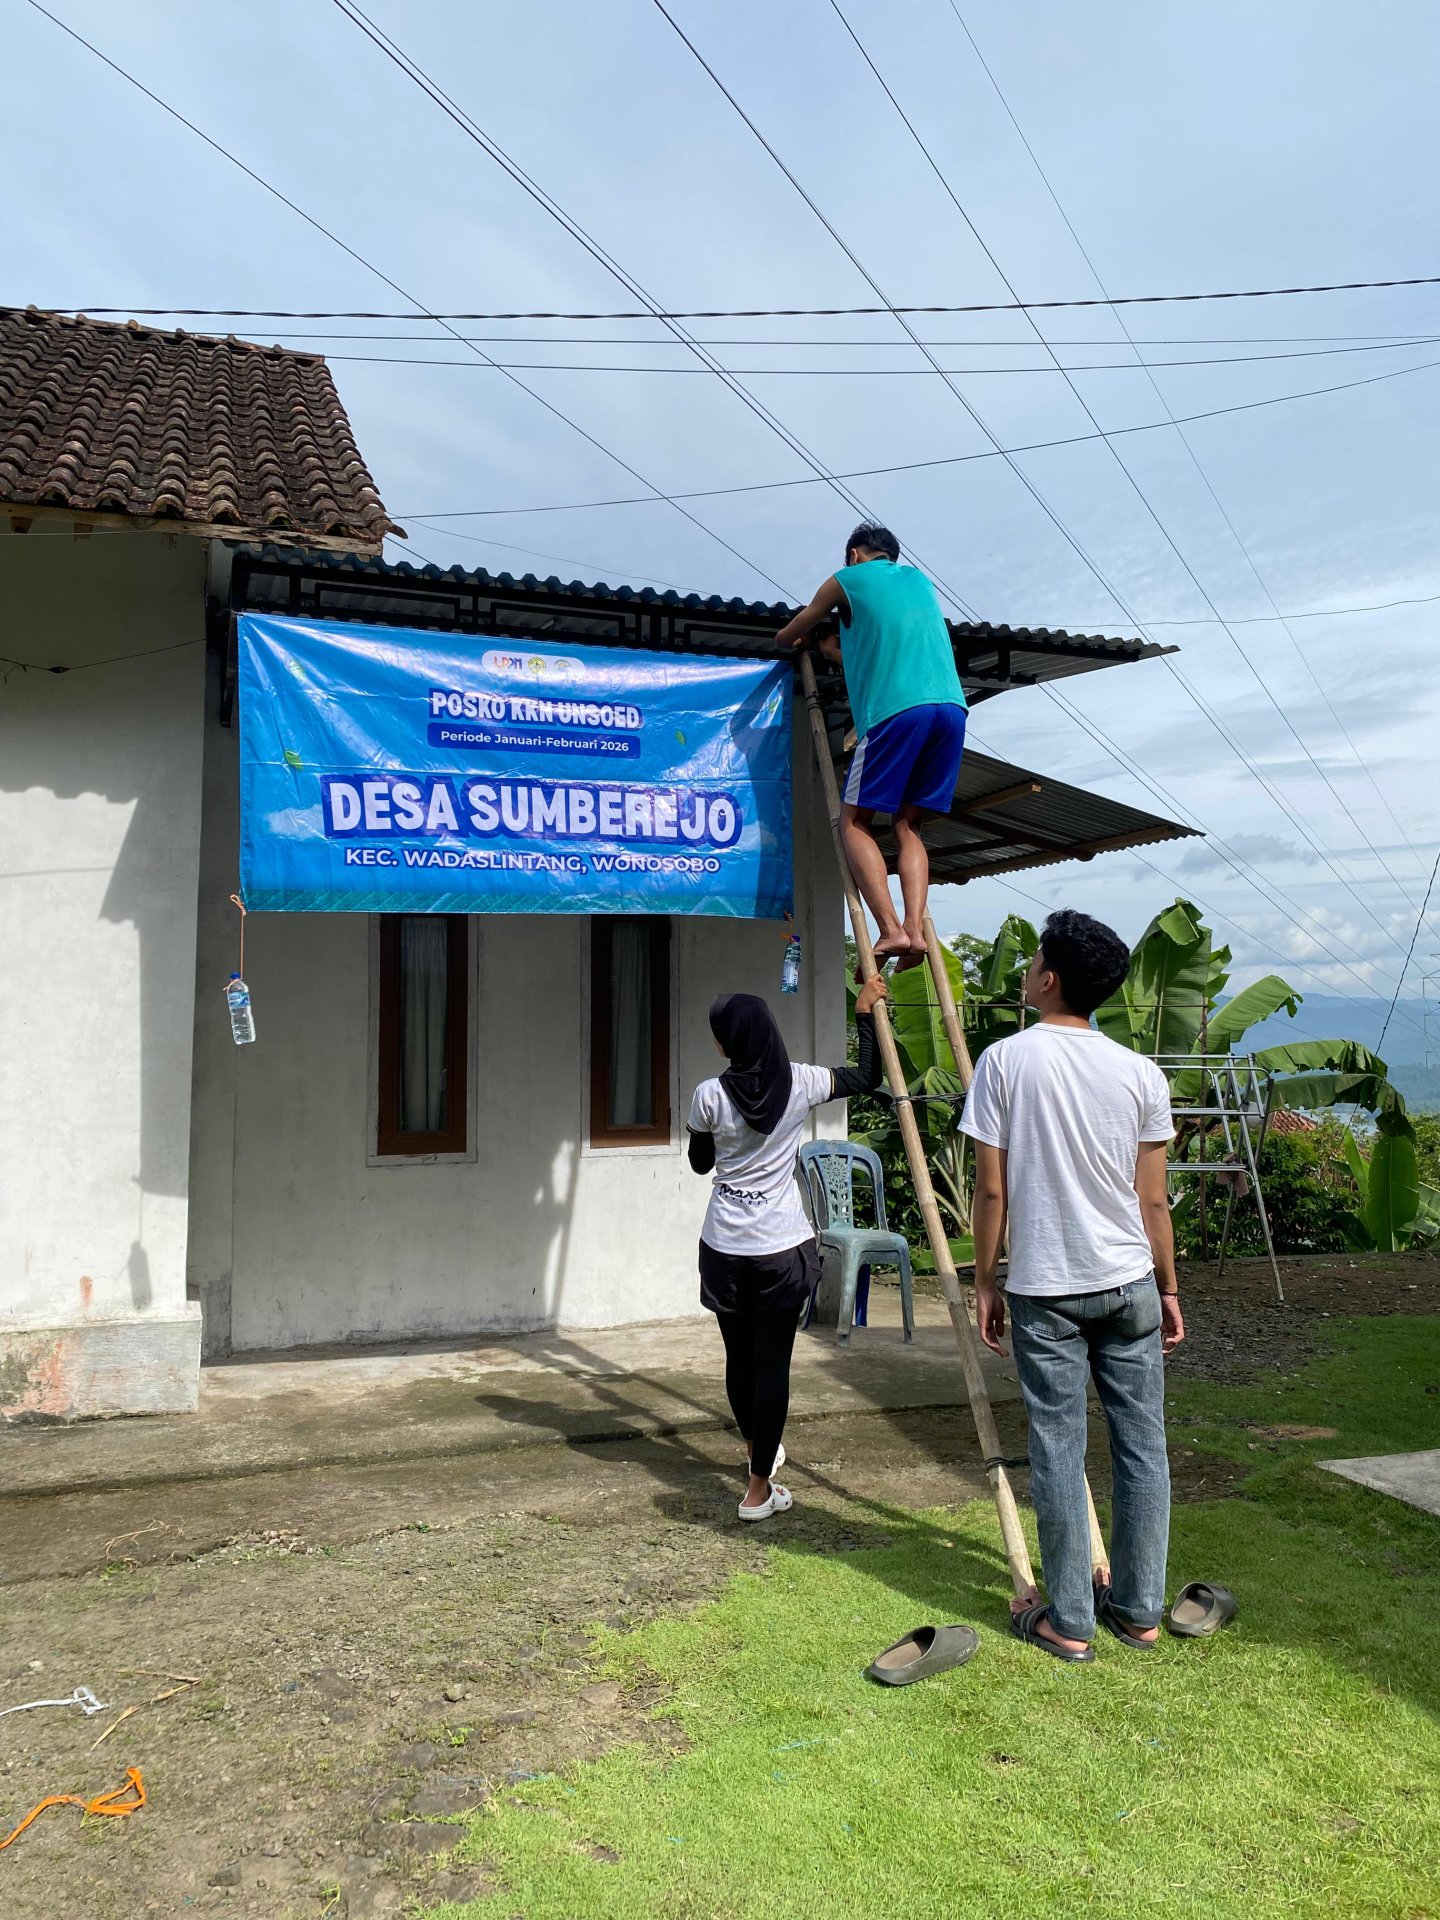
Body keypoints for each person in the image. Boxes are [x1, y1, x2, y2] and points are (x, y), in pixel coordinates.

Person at [959, 910, 1184, 1662]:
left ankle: (1071, 1622)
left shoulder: (1003, 1062)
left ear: (1049, 978)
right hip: (1130, 1285)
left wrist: (986, 1279)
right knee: (1143, 1448)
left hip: (1045, 1288)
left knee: (1057, 1448)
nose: (1025, 972)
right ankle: (1142, 1612)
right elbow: (1152, 1202)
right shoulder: (1140, 1072)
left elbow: (992, 1195)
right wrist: (1171, 1289)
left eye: (1031, 963)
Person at [687, 973, 889, 1520]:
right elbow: (867, 1077)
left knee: (738, 1358)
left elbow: (700, 1163)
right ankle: (758, 1489)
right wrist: (865, 1011)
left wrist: (722, 1144)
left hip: (725, 1243)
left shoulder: (709, 1095)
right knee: (772, 1365)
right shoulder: (801, 1082)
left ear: (729, 1041)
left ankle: (757, 1450)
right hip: (781, 1246)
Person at [778, 523, 967, 970]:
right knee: (908, 824)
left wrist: (793, 640)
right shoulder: (919, 581)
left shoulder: (849, 578)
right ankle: (917, 933)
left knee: (854, 820)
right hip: (950, 710)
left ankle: (890, 930)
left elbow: (790, 632)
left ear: (855, 554)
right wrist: (834, 650)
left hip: (895, 711)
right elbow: (877, 650)